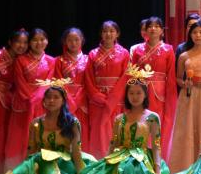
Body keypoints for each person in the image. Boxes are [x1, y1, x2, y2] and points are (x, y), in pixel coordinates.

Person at [71, 66, 168, 174]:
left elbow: (156, 145)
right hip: (120, 155)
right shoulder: (119, 118)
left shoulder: (152, 117)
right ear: (126, 95)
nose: (135, 96)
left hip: (141, 158)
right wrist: (106, 161)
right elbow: (113, 143)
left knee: (128, 169)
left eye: (139, 93)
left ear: (145, 95)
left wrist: (157, 168)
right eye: (131, 93)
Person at [0, 82, 86, 174]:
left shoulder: (72, 123)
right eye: (48, 97)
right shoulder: (36, 123)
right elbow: (31, 151)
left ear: (63, 101)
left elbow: (76, 153)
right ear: (43, 101)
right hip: (40, 162)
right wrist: (25, 171)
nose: (51, 100)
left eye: (56, 97)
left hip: (63, 165)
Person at [169, 20, 201, 173]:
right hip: (188, 96)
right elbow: (178, 78)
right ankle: (185, 166)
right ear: (190, 35)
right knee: (188, 129)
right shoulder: (184, 56)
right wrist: (185, 84)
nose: (198, 35)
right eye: (194, 32)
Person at [6, 28, 57, 170]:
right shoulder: (20, 60)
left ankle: (41, 172)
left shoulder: (51, 61)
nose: (39, 43)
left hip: (43, 104)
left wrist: (38, 98)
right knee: (20, 137)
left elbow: (48, 82)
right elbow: (20, 82)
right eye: (35, 40)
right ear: (30, 43)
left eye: (42, 39)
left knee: (41, 136)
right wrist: (30, 99)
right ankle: (16, 172)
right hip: (23, 103)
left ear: (47, 41)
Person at [81, 22, 131, 159]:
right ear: (101, 34)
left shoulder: (124, 53)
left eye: (112, 31)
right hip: (97, 101)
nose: (108, 34)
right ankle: (98, 162)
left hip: (117, 99)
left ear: (117, 34)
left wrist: (113, 97)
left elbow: (125, 76)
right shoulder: (92, 54)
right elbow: (88, 78)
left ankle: (116, 161)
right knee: (98, 132)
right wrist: (96, 95)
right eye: (105, 31)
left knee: (116, 130)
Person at [129, 17, 177, 157]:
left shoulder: (168, 50)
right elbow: (132, 74)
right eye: (150, 26)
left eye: (157, 26)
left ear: (162, 31)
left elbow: (171, 77)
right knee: (140, 124)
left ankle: (156, 159)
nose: (153, 28)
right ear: (146, 30)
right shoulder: (137, 50)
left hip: (159, 95)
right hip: (141, 93)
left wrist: (170, 99)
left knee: (156, 126)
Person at [0, 30, 28, 173]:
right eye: (18, 42)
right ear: (10, 42)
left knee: (4, 136)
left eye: (25, 43)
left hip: (9, 101)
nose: (21, 46)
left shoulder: (22, 61)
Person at [51, 28, 89, 149]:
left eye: (76, 39)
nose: (73, 43)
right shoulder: (58, 61)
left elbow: (89, 82)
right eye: (70, 40)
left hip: (83, 102)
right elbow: (58, 82)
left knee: (82, 131)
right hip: (65, 101)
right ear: (65, 42)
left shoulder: (88, 59)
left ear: (82, 40)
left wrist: (78, 99)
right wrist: (69, 100)